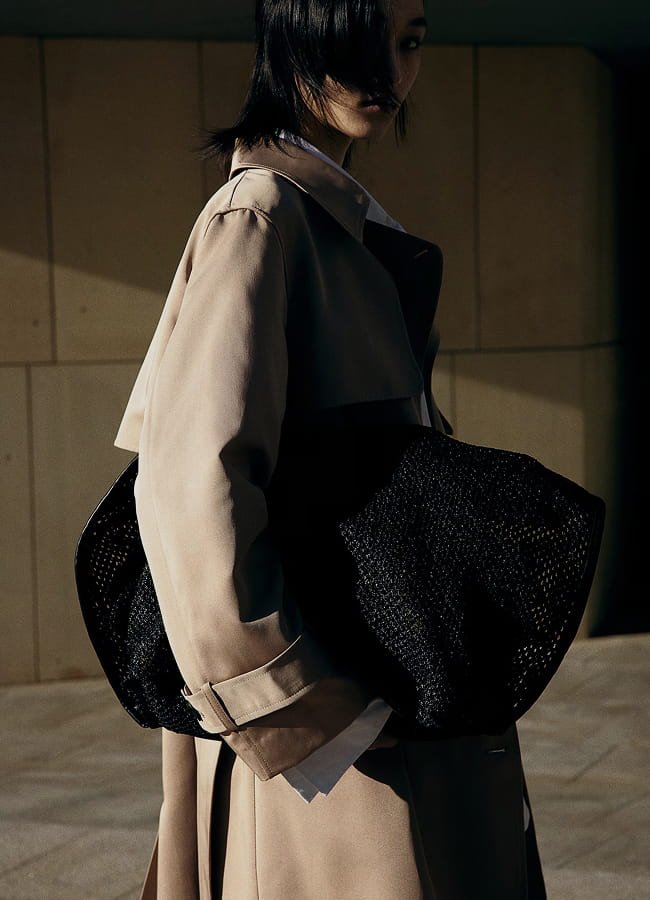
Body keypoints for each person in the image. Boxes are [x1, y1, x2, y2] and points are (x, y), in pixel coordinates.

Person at [114, 0, 547, 896]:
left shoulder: (329, 220)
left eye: (409, 41)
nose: (388, 73)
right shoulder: (260, 215)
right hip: (331, 738)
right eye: (358, 40)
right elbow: (189, 487)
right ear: (294, 36)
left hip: (382, 694)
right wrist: (301, 710)